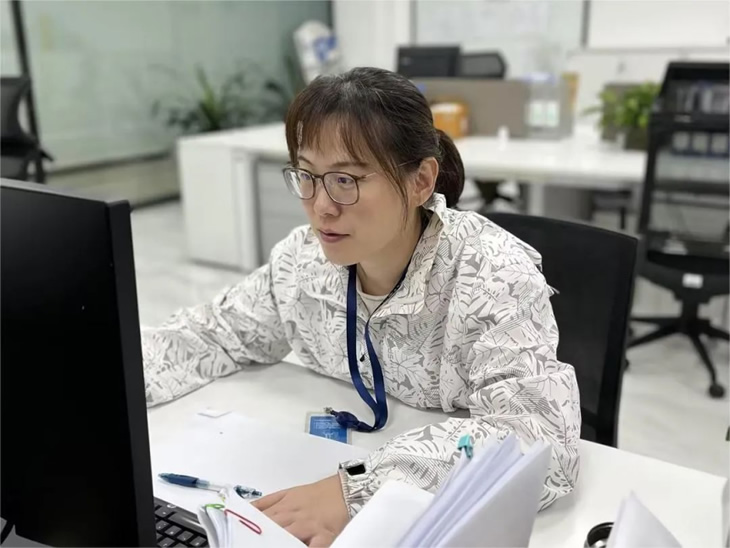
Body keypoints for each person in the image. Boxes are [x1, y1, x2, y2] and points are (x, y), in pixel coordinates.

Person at [143, 67, 580, 547]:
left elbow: (538, 442)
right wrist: (107, 382)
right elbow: (214, 333)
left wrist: (359, 490)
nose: (321, 207)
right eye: (307, 176)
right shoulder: (303, 260)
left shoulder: (492, 274)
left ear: (420, 181)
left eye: (345, 180)